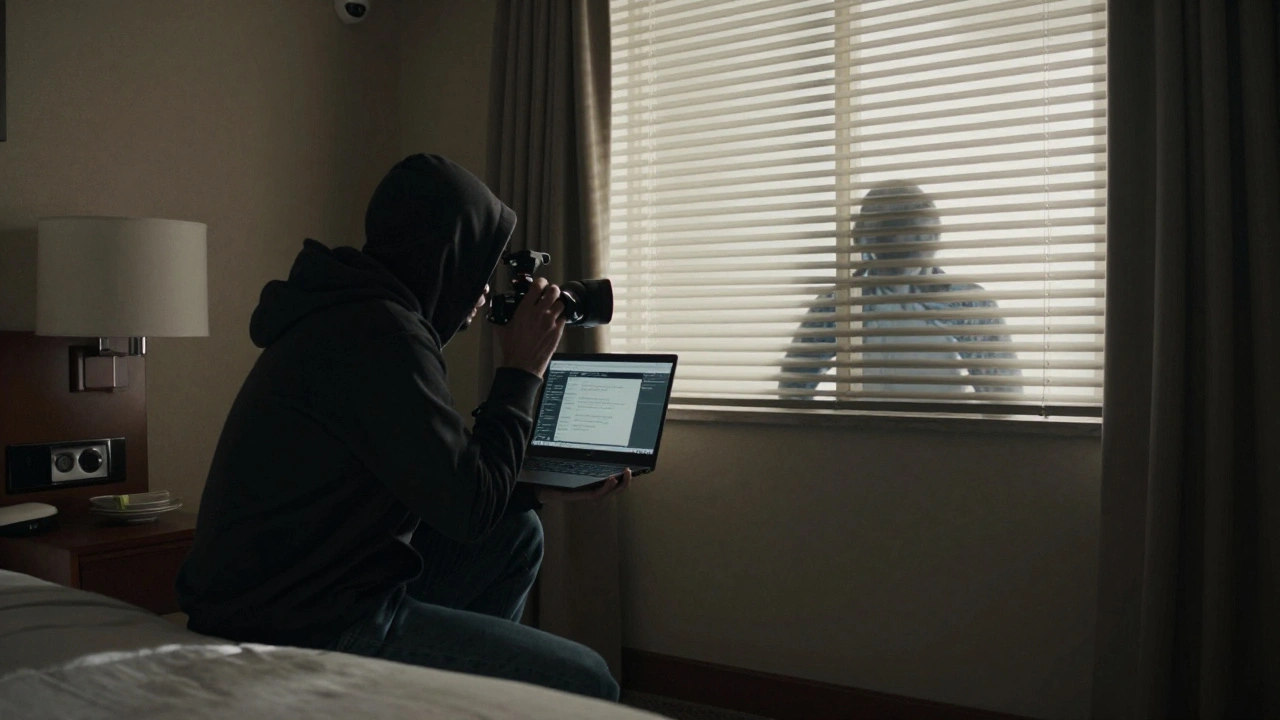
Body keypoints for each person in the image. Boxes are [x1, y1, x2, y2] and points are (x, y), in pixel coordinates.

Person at [176, 154, 629, 701]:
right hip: (304, 623)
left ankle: (458, 698)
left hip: (290, 592)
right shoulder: (385, 337)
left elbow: (442, 482)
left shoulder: (351, 313)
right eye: (479, 270)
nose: (485, 294)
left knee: (515, 534)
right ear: (447, 258)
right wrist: (521, 372)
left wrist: (537, 489)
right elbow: (467, 509)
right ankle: (465, 692)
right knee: (587, 679)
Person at [781, 183, 1020, 395]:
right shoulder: (838, 305)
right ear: (862, 238)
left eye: (913, 235)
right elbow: (793, 387)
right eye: (890, 235)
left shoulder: (967, 303)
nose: (901, 243)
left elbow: (1003, 396)